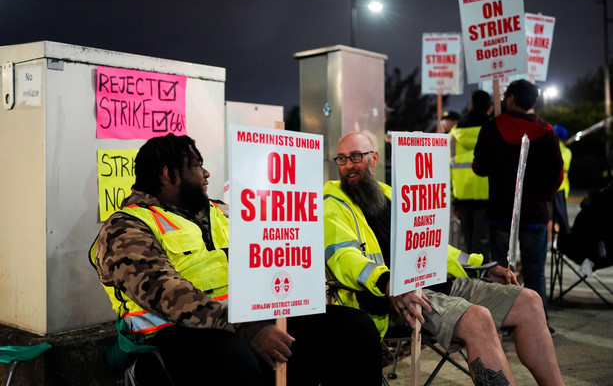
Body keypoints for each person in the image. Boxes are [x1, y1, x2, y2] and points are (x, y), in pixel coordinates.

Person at [90, 133, 382, 385]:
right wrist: (247, 327)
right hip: (177, 333)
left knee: (354, 328)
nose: (206, 174)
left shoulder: (224, 212)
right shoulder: (126, 227)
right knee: (237, 359)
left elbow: (272, 250)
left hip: (248, 319)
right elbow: (161, 290)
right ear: (170, 175)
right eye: (197, 166)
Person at [324, 131, 566, 386]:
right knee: (478, 319)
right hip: (395, 300)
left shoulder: (389, 194)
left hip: (436, 282)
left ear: (374, 159)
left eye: (356, 157)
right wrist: (388, 282)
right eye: (341, 159)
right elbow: (344, 257)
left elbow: (431, 244)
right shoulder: (332, 205)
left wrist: (481, 267)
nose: (349, 165)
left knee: (529, 301)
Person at [473, 79, 564, 326]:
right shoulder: (547, 131)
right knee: (535, 272)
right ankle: (538, 323)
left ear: (511, 99)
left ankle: (504, 322)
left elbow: (478, 168)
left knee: (501, 272)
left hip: (500, 212)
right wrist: (542, 197)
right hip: (534, 214)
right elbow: (558, 173)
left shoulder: (492, 128)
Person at [449, 90, 492, 258]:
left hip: (462, 196)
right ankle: (482, 280)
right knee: (482, 242)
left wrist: (453, 199)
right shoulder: (492, 129)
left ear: (470, 106)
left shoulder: (454, 133)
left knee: (466, 241)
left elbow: (449, 168)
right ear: (489, 108)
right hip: (487, 195)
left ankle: (469, 280)